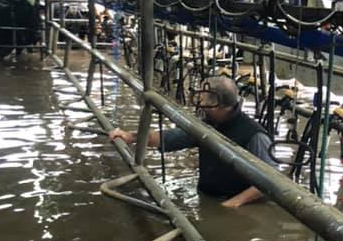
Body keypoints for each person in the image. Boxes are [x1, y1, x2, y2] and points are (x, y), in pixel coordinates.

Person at [109, 76, 274, 208]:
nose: (200, 105)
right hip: (210, 198)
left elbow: (272, 181)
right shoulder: (208, 125)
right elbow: (171, 137)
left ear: (222, 105)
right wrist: (131, 137)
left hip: (236, 204)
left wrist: (236, 202)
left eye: (203, 101)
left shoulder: (254, 135)